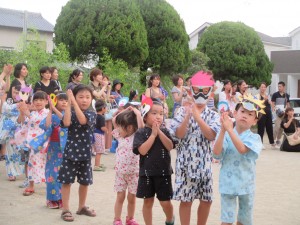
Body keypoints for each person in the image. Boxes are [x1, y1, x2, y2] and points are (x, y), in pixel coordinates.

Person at [169, 71, 221, 225]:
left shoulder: (213, 115)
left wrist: (197, 117)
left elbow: (211, 135)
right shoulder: (181, 111)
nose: (201, 94)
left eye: (205, 91)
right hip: (185, 164)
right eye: (197, 90)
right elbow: (178, 135)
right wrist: (187, 116)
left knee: (206, 200)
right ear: (191, 91)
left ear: (211, 93)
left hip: (204, 165)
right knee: (186, 200)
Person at [213, 93, 265, 225]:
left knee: (244, 219)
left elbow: (242, 149)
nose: (245, 115)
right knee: (226, 220)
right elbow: (216, 154)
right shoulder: (226, 132)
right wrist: (223, 131)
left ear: (255, 121)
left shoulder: (255, 138)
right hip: (228, 184)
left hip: (246, 184)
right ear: (235, 113)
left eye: (250, 114)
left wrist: (229, 130)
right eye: (242, 111)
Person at [57, 85, 97, 222]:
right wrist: (69, 103)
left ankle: (81, 207)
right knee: (66, 182)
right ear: (74, 97)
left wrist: (73, 102)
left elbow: (82, 120)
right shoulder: (71, 111)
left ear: (91, 99)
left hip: (85, 154)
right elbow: (66, 122)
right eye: (80, 97)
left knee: (85, 182)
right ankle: (65, 209)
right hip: (70, 153)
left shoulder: (92, 113)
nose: (84, 100)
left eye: (87, 97)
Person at [133, 97, 175, 225]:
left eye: (161, 114)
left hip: (164, 173)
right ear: (145, 116)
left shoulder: (165, 131)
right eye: (154, 113)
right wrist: (153, 135)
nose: (158, 116)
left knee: (165, 202)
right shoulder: (140, 133)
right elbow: (142, 151)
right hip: (146, 174)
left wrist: (159, 133)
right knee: (148, 201)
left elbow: (170, 146)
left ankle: (170, 219)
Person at [34, 92, 68, 209]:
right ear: (55, 101)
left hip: (65, 149)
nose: (64, 102)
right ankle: (51, 199)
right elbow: (46, 125)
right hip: (54, 148)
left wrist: (54, 109)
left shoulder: (68, 115)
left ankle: (61, 198)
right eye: (61, 100)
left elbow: (65, 121)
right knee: (52, 174)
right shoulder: (52, 115)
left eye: (66, 100)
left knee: (64, 175)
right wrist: (50, 110)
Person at [112, 106, 143, 225]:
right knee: (120, 197)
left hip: (134, 173)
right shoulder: (119, 136)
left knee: (132, 198)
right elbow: (114, 119)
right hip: (120, 173)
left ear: (129, 127)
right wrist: (125, 110)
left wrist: (138, 114)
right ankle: (117, 219)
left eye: (120, 126)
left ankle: (130, 218)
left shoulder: (136, 136)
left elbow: (141, 127)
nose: (118, 128)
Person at [16, 91, 49, 196]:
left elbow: (40, 122)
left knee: (48, 164)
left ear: (46, 102)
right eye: (36, 100)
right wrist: (22, 112)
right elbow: (21, 122)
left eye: (41, 100)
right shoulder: (32, 113)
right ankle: (31, 185)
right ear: (32, 101)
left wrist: (27, 113)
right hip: (33, 143)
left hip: (45, 143)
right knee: (31, 163)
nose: (38, 102)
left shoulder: (48, 113)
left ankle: (50, 184)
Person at [0, 86, 23, 181]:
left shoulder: (22, 104)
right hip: (9, 132)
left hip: (19, 132)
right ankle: (11, 172)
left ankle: (19, 171)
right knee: (10, 153)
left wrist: (3, 100)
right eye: (14, 92)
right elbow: (5, 110)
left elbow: (7, 109)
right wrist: (3, 100)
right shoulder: (9, 104)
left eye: (18, 93)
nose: (16, 95)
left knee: (19, 153)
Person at [256, 82, 275, 149]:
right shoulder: (257, 95)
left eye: (264, 87)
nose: (263, 88)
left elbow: (270, 103)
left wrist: (271, 103)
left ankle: (272, 142)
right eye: (262, 87)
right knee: (261, 128)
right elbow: (258, 104)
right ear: (259, 88)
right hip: (261, 113)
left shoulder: (267, 95)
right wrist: (264, 99)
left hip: (268, 112)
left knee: (269, 127)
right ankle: (260, 142)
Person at [271, 81, 290, 147]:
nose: (279, 88)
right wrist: (274, 109)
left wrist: (289, 111)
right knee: (277, 127)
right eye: (278, 86)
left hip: (284, 113)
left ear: (284, 87)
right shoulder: (275, 94)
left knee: (282, 127)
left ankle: (278, 140)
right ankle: (272, 140)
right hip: (278, 113)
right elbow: (272, 103)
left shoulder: (286, 95)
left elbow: (288, 104)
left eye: (280, 86)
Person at [93, 99, 108, 172]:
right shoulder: (101, 117)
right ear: (103, 108)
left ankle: (98, 164)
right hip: (99, 134)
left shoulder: (95, 115)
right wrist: (107, 130)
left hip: (94, 134)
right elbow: (102, 127)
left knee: (98, 150)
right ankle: (96, 165)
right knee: (99, 151)